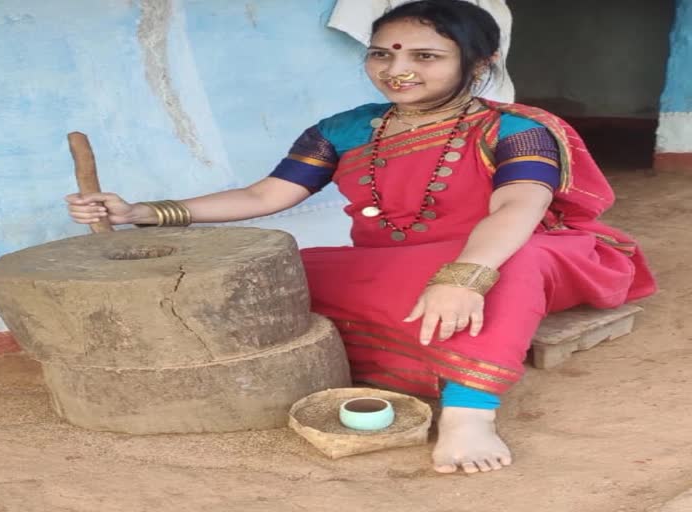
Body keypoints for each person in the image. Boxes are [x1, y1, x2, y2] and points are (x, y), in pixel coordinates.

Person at [66, 0, 655, 474]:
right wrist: (144, 212)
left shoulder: (517, 129)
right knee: (279, 268)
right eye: (382, 53)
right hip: (400, 262)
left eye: (426, 55)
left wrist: (463, 277)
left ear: (479, 64)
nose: (397, 69)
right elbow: (264, 197)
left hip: (523, 249)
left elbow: (519, 205)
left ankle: (469, 412)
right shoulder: (343, 128)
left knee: (513, 264)